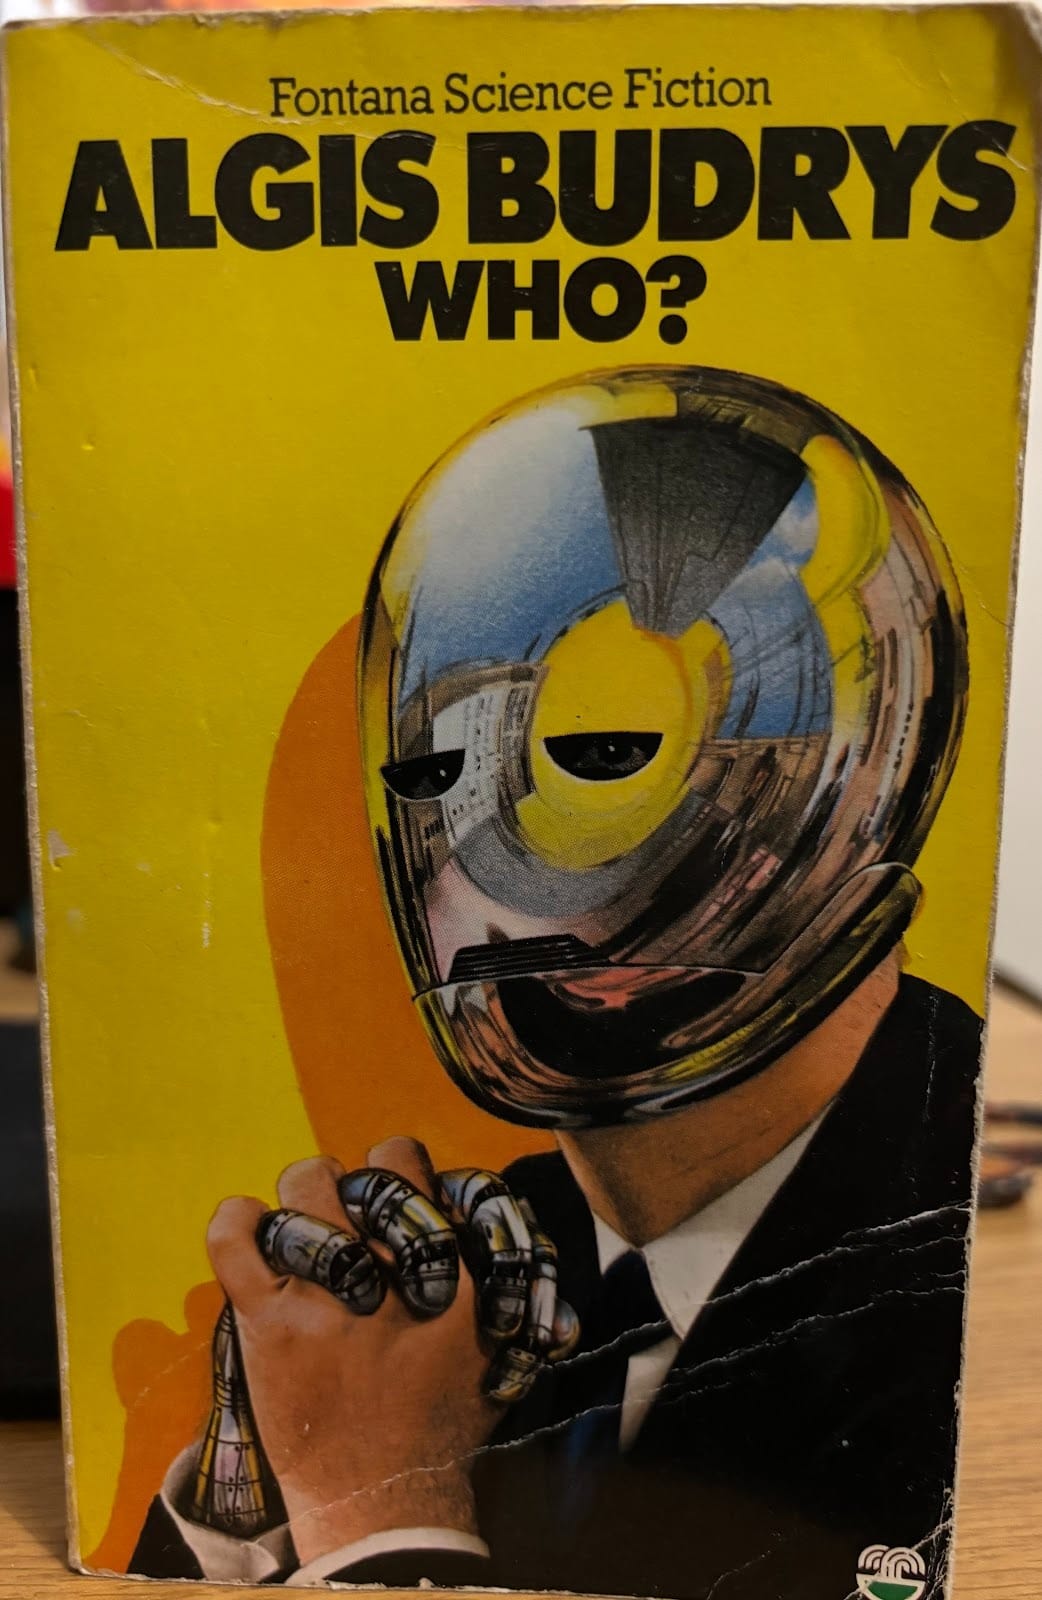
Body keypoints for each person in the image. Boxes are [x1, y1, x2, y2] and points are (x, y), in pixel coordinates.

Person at [133, 368, 982, 1599]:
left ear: (848, 769)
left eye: (609, 754)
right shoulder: (491, 1259)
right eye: (440, 770)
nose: (514, 868)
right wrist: (261, 1474)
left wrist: (379, 1507)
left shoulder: (958, 1273)